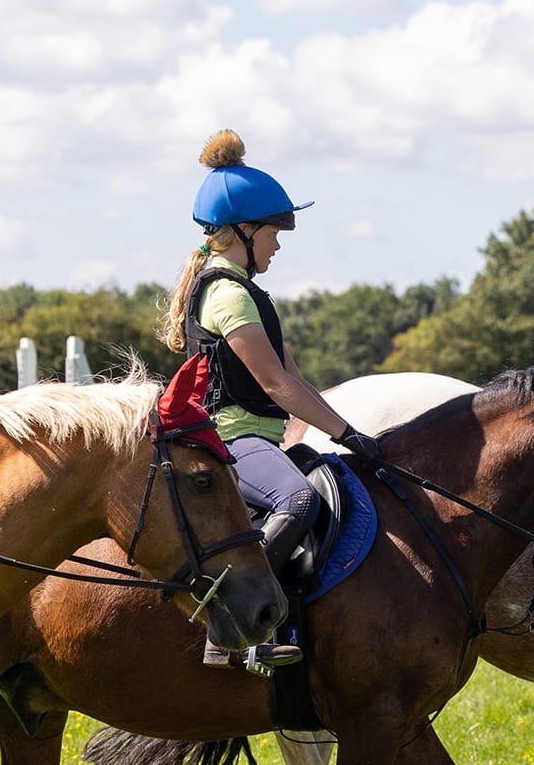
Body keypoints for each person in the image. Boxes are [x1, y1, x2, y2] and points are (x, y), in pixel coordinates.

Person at [162, 129, 384, 671]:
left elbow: (296, 380)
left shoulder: (248, 291)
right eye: (274, 232)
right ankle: (231, 629)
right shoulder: (227, 292)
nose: (279, 244)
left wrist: (335, 430)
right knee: (298, 502)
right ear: (244, 231)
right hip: (230, 439)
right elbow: (275, 386)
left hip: (257, 437)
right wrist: (348, 434)